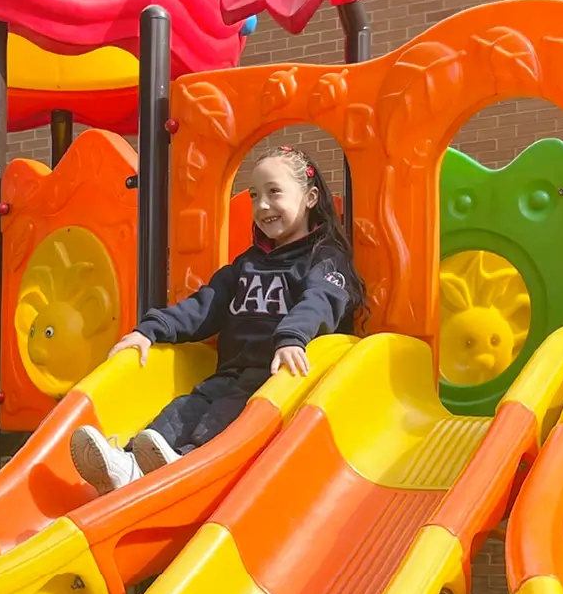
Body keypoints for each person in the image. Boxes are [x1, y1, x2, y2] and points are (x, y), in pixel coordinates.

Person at [69, 145, 365, 494]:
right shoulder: (247, 265)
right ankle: (129, 461)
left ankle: (186, 465)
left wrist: (291, 337)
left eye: (274, 192)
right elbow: (203, 306)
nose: (263, 206)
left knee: (225, 414)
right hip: (230, 371)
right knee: (188, 406)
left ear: (311, 197)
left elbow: (319, 302)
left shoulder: (325, 260)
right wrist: (149, 331)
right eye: (255, 195)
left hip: (277, 383)